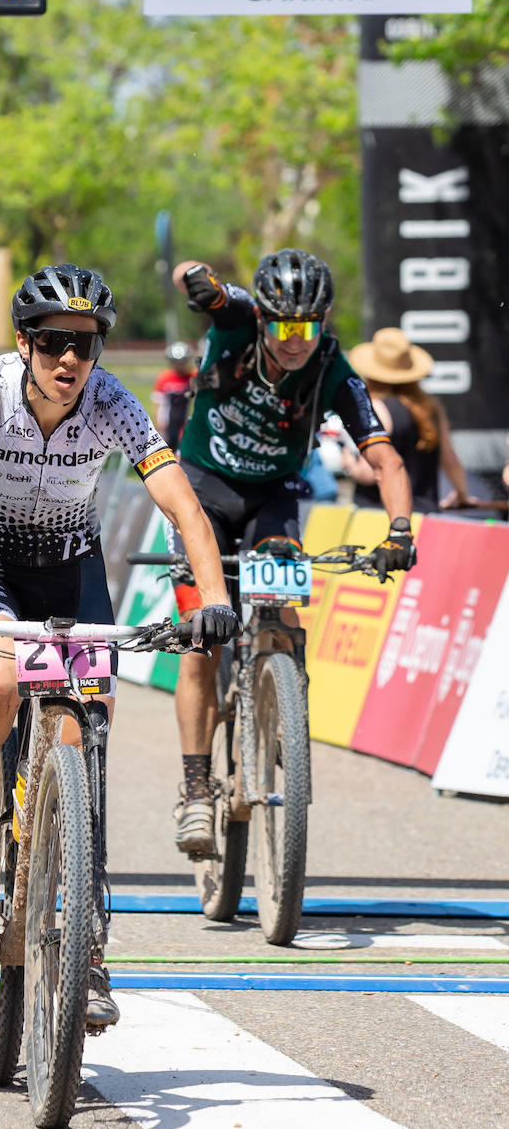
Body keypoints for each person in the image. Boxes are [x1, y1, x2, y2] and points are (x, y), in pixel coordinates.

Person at [0, 263, 238, 1028]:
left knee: (82, 738)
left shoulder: (112, 404)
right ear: (23, 344)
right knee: (0, 689)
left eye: (84, 344)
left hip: (71, 569)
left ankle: (86, 944)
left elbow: (182, 507)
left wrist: (215, 601)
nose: (68, 360)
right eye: (51, 344)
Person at [168, 248, 417, 856]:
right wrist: (195, 279)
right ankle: (197, 789)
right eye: (282, 326)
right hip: (202, 491)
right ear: (265, 319)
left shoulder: (334, 367)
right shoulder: (238, 318)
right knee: (202, 636)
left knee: (280, 608)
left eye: (307, 327)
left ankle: (281, 695)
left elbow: (385, 459)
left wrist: (401, 532)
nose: (294, 340)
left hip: (273, 499)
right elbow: (195, 284)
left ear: (323, 322)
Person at [343, 328, 474, 514]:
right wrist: (462, 493)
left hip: (381, 517)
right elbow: (450, 459)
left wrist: (349, 464)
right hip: (424, 516)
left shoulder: (375, 408)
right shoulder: (431, 409)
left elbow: (368, 473)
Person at [151, 341, 195, 453]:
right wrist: (158, 424)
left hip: (184, 423)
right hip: (167, 424)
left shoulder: (191, 377)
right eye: (176, 362)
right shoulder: (164, 378)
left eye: (182, 362)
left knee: (183, 452)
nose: (179, 365)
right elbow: (157, 403)